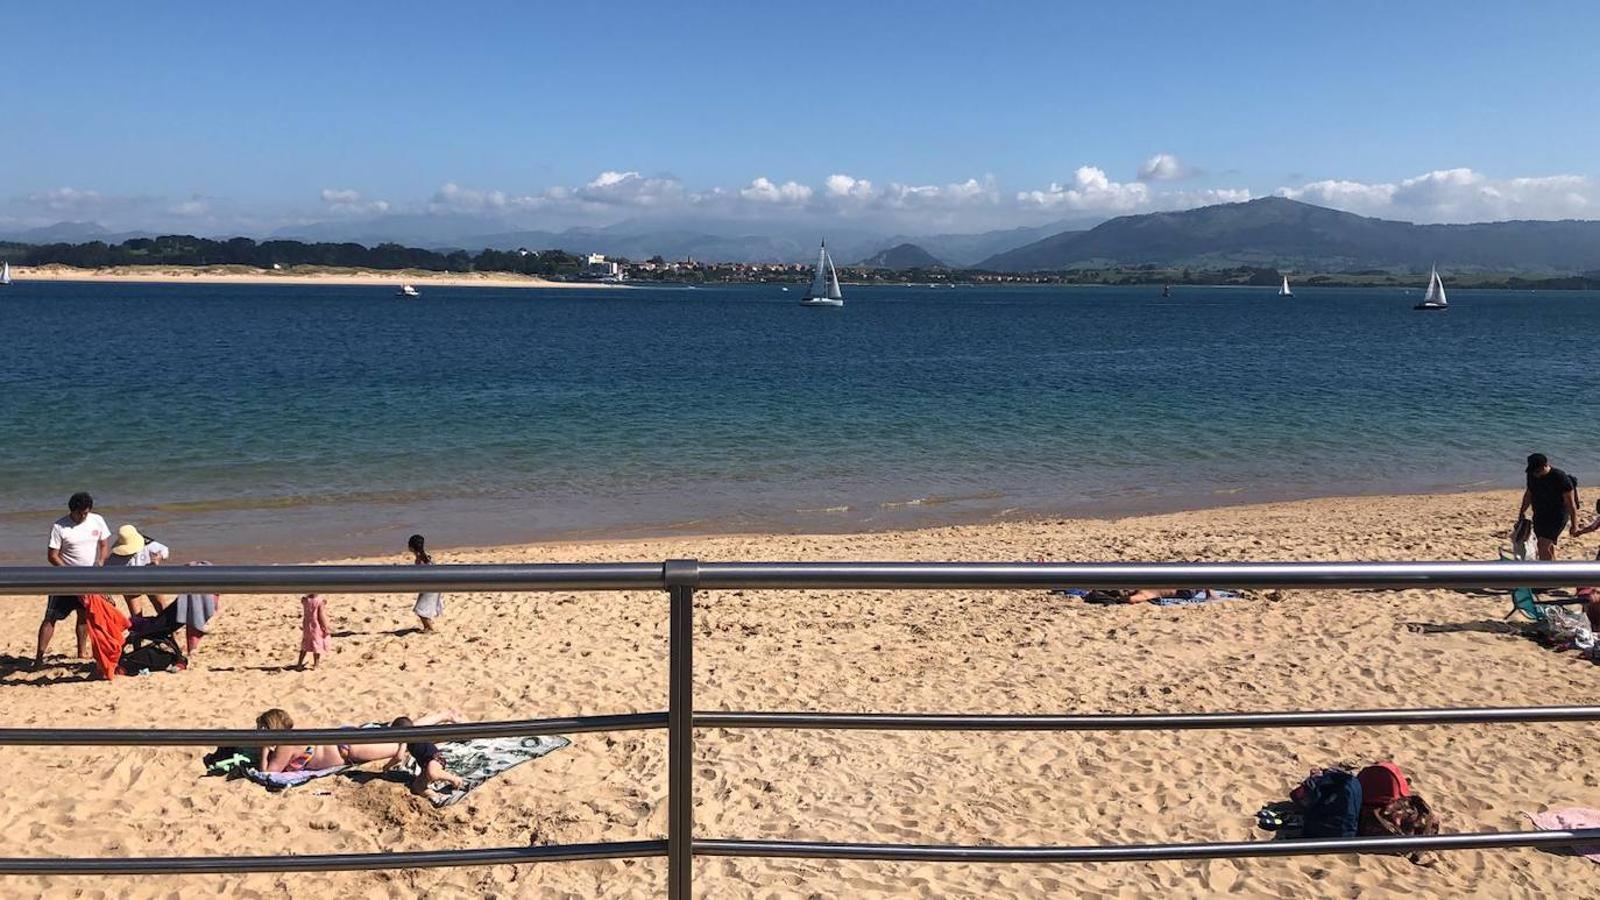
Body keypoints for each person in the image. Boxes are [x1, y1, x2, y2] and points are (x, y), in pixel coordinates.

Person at [254, 708, 460, 774]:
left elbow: (268, 774)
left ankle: (447, 720)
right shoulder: (291, 737)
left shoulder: (284, 745)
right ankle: (443, 716)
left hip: (350, 749)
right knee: (401, 737)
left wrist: (264, 747)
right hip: (346, 742)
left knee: (405, 741)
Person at [36, 492, 110, 669]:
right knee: (51, 618)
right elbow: (52, 556)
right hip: (64, 580)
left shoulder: (97, 520)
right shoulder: (60, 526)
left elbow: (104, 544)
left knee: (83, 615)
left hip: (89, 579)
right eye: (80, 513)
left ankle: (81, 651)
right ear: (73, 511)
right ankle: (39, 657)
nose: (83, 516)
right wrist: (68, 572)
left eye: (86, 512)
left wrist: (100, 562)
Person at [389, 715, 467, 801]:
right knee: (418, 786)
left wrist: (387, 766)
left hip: (434, 759)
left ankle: (455, 779)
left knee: (433, 773)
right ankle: (435, 797)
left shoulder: (405, 739)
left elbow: (399, 757)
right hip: (425, 765)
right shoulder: (415, 732)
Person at [1518, 453, 1579, 560]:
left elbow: (1571, 504)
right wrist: (1522, 511)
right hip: (1539, 514)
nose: (1535, 474)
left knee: (1542, 546)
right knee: (1546, 546)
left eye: (1537, 471)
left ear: (1545, 466)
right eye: (1533, 471)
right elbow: (1528, 494)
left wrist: (1574, 525)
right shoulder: (1532, 475)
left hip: (1557, 516)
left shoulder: (1560, 478)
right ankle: (1554, 570)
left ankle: (1545, 574)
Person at [104, 524, 170, 616]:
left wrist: (158, 558)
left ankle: (166, 629)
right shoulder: (114, 557)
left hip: (150, 578)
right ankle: (139, 630)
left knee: (162, 609)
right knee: (137, 616)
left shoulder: (147, 544)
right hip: (130, 584)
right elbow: (107, 573)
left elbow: (164, 550)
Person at [408, 534, 444, 632]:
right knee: (423, 609)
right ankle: (427, 627)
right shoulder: (426, 555)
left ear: (411, 547)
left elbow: (422, 572)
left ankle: (429, 628)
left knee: (420, 609)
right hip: (431, 584)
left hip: (429, 585)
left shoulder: (421, 558)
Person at [298, 593, 331, 670]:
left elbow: (304, 601)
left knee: (305, 644)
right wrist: (325, 627)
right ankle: (316, 664)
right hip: (316, 626)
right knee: (317, 644)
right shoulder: (319, 601)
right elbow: (321, 615)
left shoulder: (305, 600)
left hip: (306, 625)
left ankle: (299, 663)